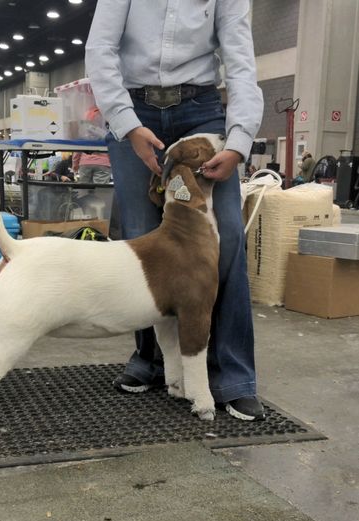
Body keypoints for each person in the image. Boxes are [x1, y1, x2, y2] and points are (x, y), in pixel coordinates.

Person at [85, 0, 266, 421]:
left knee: (228, 242)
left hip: (199, 109)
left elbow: (240, 62)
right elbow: (100, 48)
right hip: (134, 108)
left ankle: (234, 376)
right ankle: (151, 360)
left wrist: (239, 141)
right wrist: (126, 123)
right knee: (142, 237)